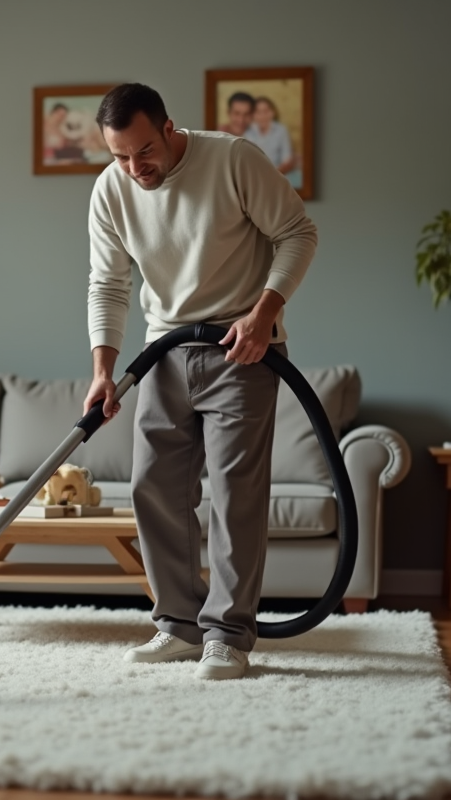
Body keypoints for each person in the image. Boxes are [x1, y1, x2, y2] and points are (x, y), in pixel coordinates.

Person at [84, 83, 316, 680]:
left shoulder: (232, 159)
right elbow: (108, 284)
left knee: (235, 493)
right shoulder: (111, 190)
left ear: (168, 127)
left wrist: (263, 315)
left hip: (242, 348)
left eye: (143, 151)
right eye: (120, 157)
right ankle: (180, 627)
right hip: (163, 350)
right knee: (152, 488)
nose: (136, 169)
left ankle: (230, 636)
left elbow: (297, 233)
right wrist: (104, 370)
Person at [243, 96, 296, 177]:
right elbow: (246, 162)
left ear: (273, 112)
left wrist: (273, 174)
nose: (263, 116)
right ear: (253, 115)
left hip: (278, 174)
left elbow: (287, 160)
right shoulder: (248, 133)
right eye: (258, 112)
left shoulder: (281, 131)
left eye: (266, 111)